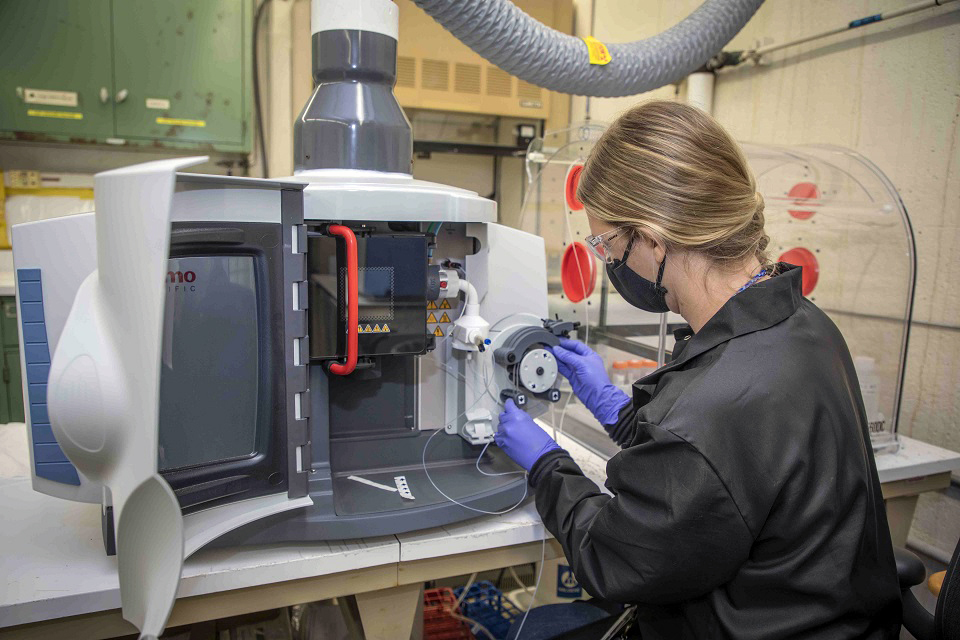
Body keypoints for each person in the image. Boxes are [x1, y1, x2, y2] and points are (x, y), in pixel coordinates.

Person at [494, 101, 901, 639]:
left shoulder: (714, 406)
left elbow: (615, 559)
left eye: (608, 243)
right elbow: (730, 472)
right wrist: (622, 414)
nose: (609, 262)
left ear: (655, 240)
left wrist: (547, 465)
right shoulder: (804, 324)